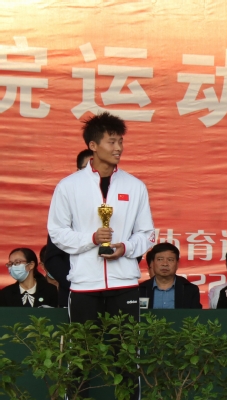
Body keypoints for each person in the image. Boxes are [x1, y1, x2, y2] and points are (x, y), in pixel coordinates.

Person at [47, 112, 154, 398]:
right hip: (84, 285)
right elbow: (57, 232)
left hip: (125, 284)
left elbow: (147, 234)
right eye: (112, 142)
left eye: (121, 142)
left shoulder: (135, 186)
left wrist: (125, 248)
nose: (118, 148)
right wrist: (91, 239)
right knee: (80, 357)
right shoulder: (69, 186)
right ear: (93, 146)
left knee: (128, 357)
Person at [44, 149, 97, 307]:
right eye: (87, 168)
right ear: (77, 171)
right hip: (74, 292)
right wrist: (74, 282)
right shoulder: (66, 204)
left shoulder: (119, 200)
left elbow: (132, 246)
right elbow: (53, 258)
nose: (93, 173)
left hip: (114, 291)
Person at [138, 243, 201, 309]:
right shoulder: (140, 289)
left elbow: (196, 314)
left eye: (170, 260)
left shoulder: (190, 290)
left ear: (177, 264)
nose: (165, 264)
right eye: (160, 259)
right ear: (152, 263)